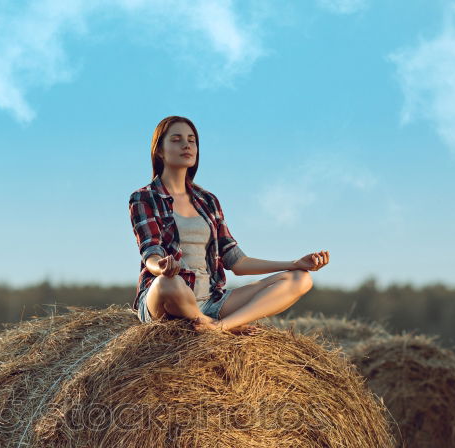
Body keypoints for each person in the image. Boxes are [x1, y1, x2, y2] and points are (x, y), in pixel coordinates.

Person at [129, 115, 329, 334]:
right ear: (159, 150)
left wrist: (294, 264)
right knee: (169, 283)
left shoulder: (207, 201)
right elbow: (150, 253)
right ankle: (202, 320)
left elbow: (237, 261)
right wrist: (163, 268)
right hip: (166, 298)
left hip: (212, 301)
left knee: (301, 280)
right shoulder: (144, 198)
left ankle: (219, 328)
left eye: (192, 140)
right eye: (176, 139)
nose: (186, 145)